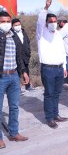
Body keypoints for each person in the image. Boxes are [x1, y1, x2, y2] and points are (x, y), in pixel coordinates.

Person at [37, 0, 68, 129]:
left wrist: (64, 66)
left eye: (55, 22)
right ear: (46, 23)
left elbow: (62, 52)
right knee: (49, 94)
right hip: (48, 69)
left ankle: (56, 115)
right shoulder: (42, 34)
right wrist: (46, 7)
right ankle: (49, 118)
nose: (53, 24)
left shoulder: (58, 35)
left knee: (57, 93)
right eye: (51, 21)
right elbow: (39, 21)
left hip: (59, 68)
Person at [0, 11, 29, 148]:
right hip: (1, 76)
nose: (5, 24)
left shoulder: (14, 36)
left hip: (14, 76)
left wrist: (23, 72)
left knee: (14, 107)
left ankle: (14, 133)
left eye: (7, 21)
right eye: (2, 21)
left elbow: (19, 57)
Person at [11, 18, 32, 91]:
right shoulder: (11, 34)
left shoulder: (23, 32)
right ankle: (17, 88)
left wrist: (28, 52)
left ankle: (28, 85)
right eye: (15, 25)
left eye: (19, 24)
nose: (18, 26)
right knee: (17, 72)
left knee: (26, 69)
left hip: (25, 55)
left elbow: (27, 42)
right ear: (12, 26)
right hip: (16, 55)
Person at [57, 16, 68, 88]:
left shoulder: (65, 29)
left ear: (62, 22)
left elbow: (57, 36)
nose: (58, 25)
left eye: (59, 23)